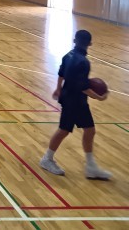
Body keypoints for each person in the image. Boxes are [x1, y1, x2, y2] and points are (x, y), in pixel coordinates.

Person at [39, 30, 111, 180]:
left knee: (89, 130)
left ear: (74, 40)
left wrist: (58, 89)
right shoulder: (83, 62)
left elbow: (61, 73)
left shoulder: (68, 55)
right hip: (74, 101)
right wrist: (99, 97)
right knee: (64, 130)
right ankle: (47, 159)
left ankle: (91, 166)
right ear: (90, 43)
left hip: (73, 99)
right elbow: (83, 87)